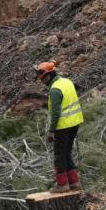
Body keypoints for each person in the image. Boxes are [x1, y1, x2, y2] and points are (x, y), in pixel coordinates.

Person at [37, 61, 84, 193]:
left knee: (59, 155)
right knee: (67, 153)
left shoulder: (55, 90)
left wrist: (51, 131)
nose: (42, 82)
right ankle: (74, 182)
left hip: (63, 126)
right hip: (75, 123)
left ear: (47, 76)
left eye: (42, 79)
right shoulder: (67, 82)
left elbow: (56, 113)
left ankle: (62, 184)